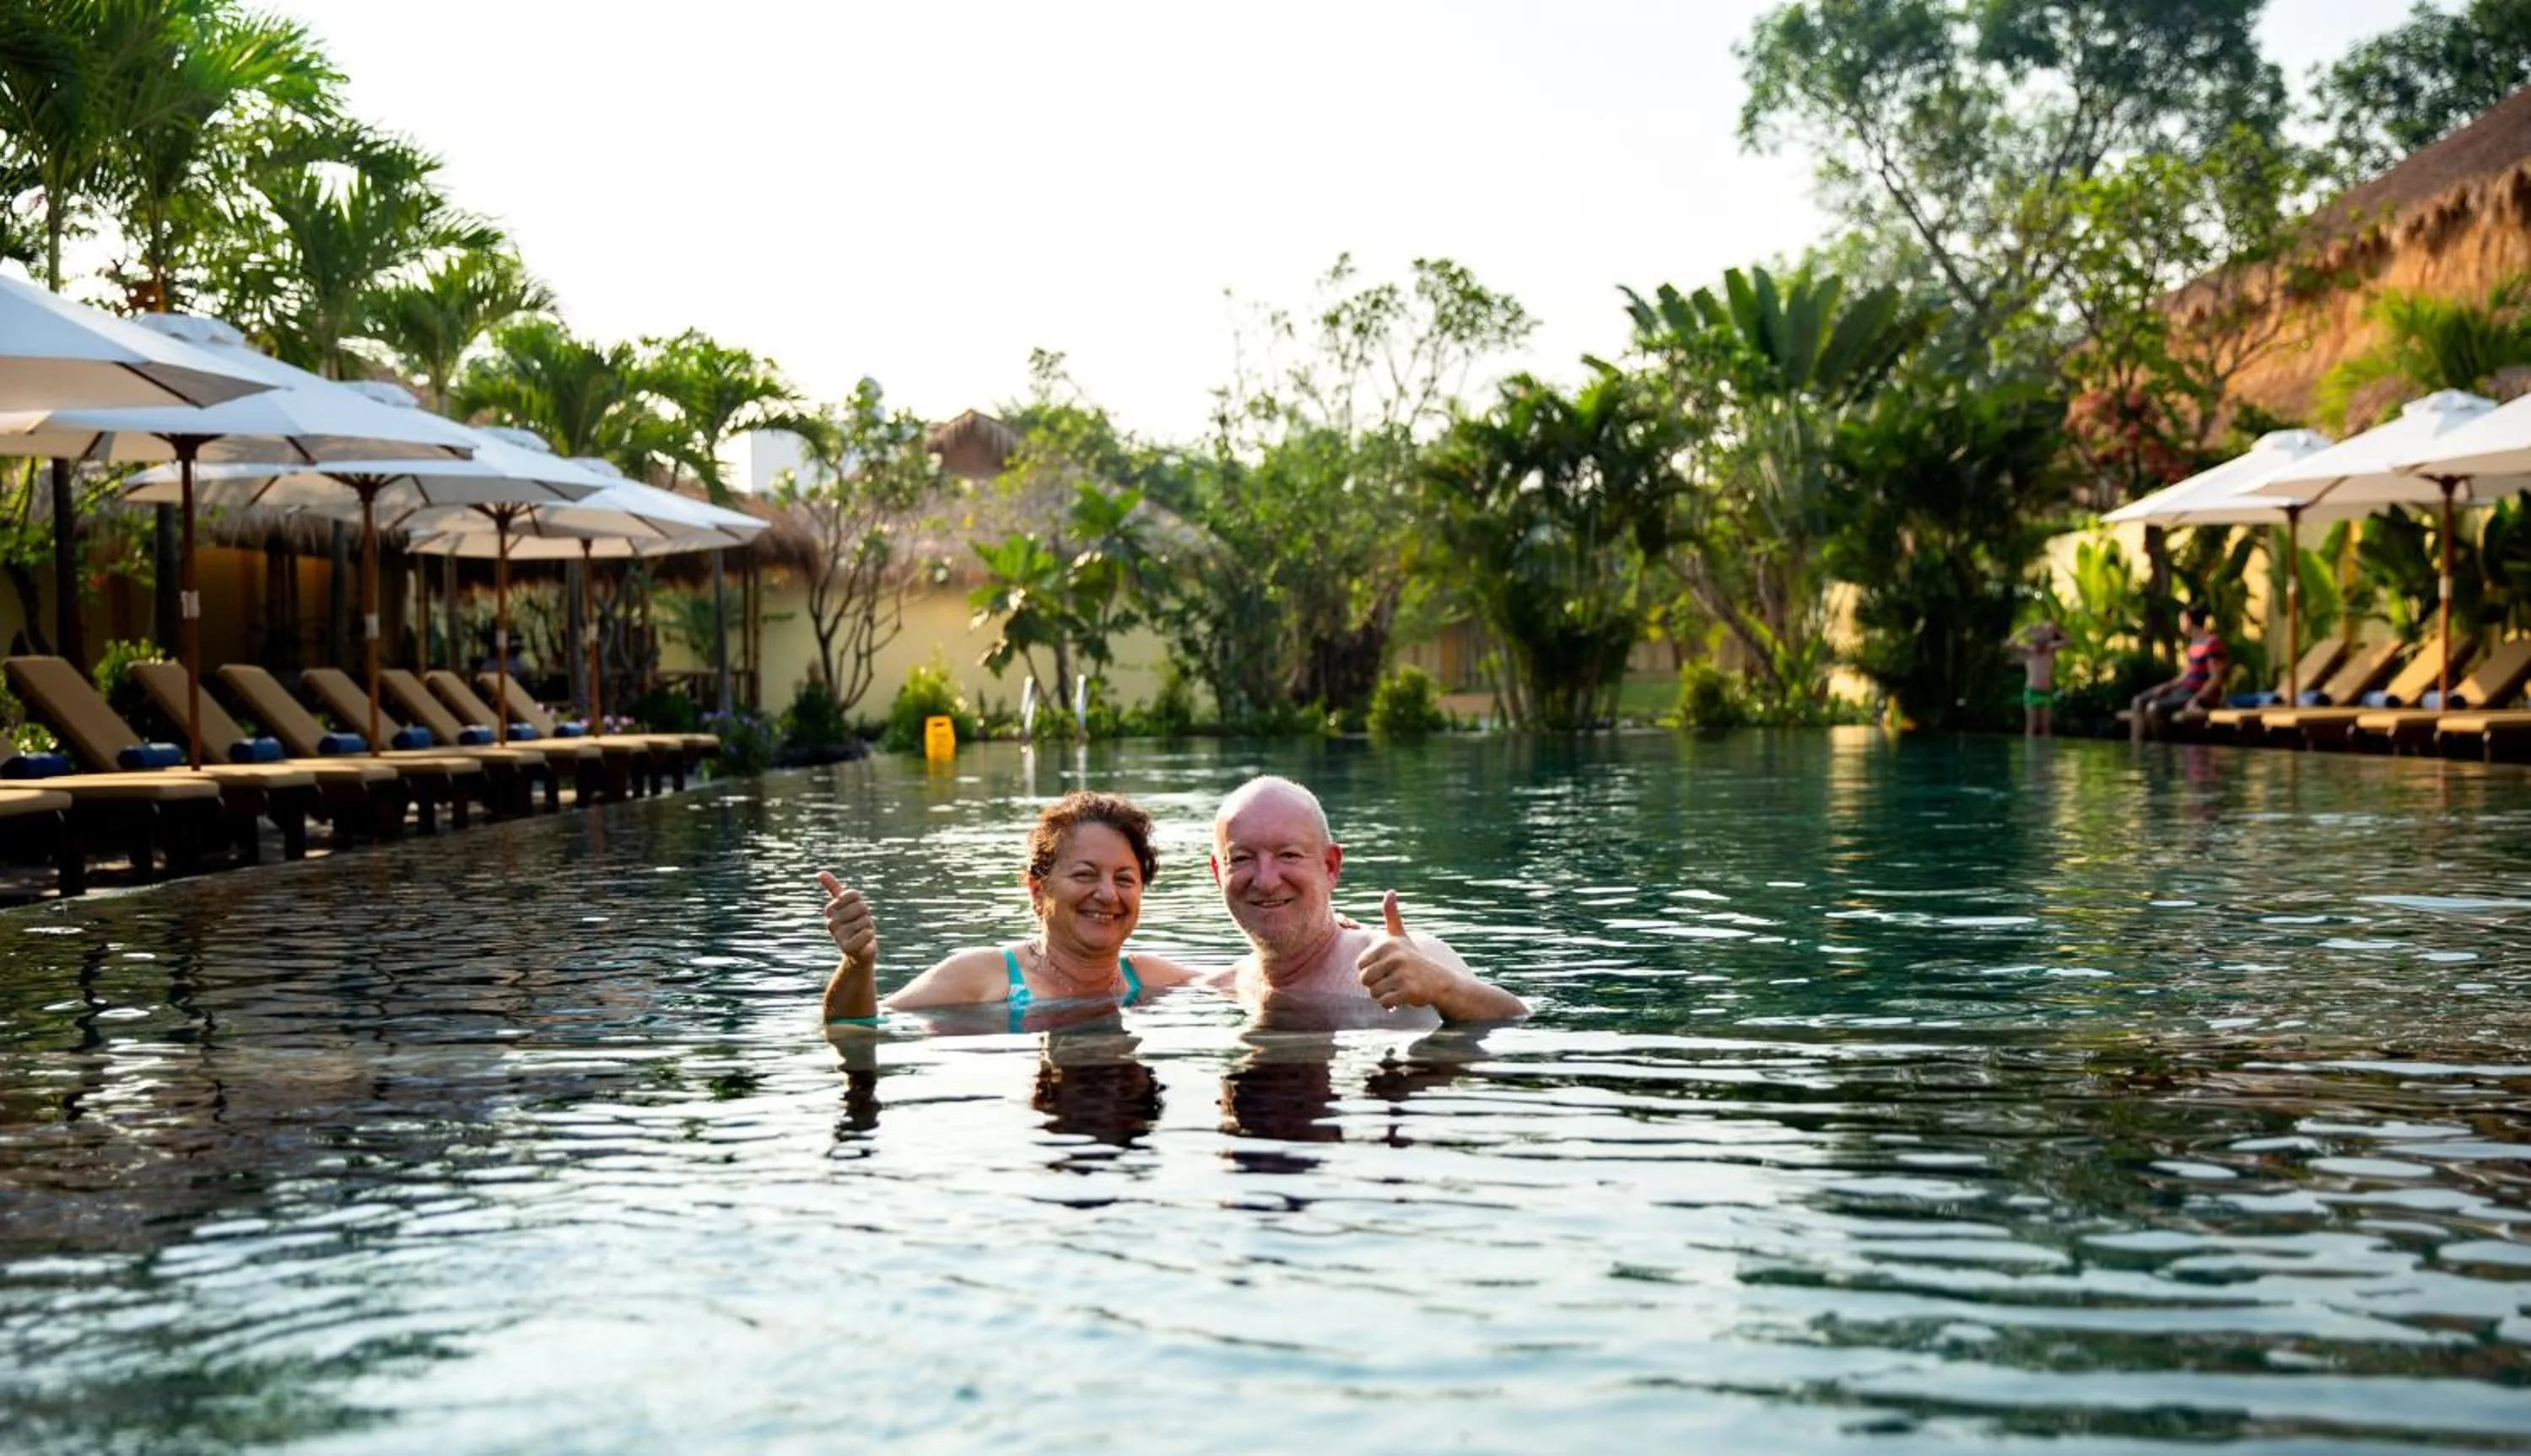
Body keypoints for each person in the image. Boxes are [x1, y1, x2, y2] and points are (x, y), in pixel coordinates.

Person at [817, 790, 1205, 1024]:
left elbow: (1251, 980)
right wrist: (857, 965)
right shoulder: (983, 976)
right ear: (1038, 890)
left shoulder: (1150, 979)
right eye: (1086, 875)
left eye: (1125, 879)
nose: (1108, 894)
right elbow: (859, 1025)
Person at [1210, 775, 1526, 1024]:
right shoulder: (1227, 985)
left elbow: (1516, 1019)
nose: (1265, 880)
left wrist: (1444, 989)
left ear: (1330, 867)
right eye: (1240, 858)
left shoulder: (1405, 962)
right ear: (1217, 873)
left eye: (1289, 855)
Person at [2130, 603, 2228, 741]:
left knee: (2154, 708)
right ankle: (2137, 752)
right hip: (2184, 692)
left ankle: (2161, 754)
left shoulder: (2212, 643)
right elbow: (2186, 676)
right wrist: (2166, 687)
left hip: (2200, 695)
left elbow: (2216, 678)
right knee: (2138, 701)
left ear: (2189, 621)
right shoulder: (2194, 644)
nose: (2180, 624)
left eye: (2181, 620)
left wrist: (2197, 699)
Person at [2009, 620, 2069, 736]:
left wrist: (2056, 629)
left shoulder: (2050, 649)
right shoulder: (2028, 650)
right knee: (2031, 726)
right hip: (2032, 691)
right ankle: (2030, 753)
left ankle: (2045, 753)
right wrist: (2024, 630)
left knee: (2046, 727)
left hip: (2046, 692)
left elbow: (2069, 642)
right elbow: (2009, 644)